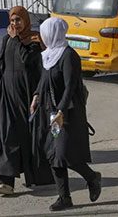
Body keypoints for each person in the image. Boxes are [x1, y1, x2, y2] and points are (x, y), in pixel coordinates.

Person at [30, 17, 102, 211]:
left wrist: (61, 110)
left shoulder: (69, 55)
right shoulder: (47, 56)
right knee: (55, 154)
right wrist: (36, 96)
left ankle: (91, 177)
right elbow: (44, 81)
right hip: (51, 113)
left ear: (53, 33)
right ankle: (65, 198)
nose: (43, 37)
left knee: (64, 153)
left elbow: (70, 86)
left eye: (45, 33)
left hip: (66, 113)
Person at [0, 6, 52, 195]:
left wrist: (17, 39)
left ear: (26, 20)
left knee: (30, 136)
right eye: (12, 21)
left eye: (19, 20)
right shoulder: (7, 39)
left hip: (27, 95)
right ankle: (6, 181)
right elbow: (0, 65)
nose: (15, 24)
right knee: (6, 136)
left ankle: (37, 176)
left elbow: (26, 60)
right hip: (6, 96)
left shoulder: (35, 41)